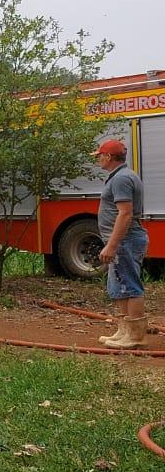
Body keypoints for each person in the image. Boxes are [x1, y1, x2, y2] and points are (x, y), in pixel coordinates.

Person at [92, 139, 150, 349]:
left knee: (129, 285)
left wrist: (112, 245)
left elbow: (125, 214)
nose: (98, 158)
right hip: (122, 241)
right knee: (119, 285)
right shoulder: (121, 177)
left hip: (126, 240)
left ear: (108, 156)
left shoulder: (121, 179)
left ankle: (135, 336)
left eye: (100, 155)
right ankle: (124, 330)